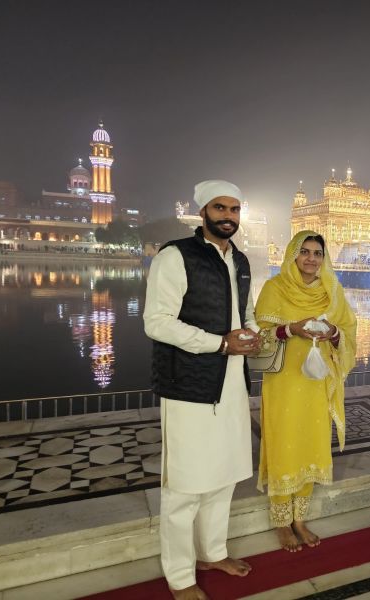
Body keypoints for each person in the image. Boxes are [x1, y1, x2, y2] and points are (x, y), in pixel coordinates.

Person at [144, 180, 258, 600]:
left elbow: (245, 313)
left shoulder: (240, 260)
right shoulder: (176, 256)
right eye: (220, 208)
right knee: (185, 487)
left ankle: (212, 552)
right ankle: (179, 576)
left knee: (223, 476)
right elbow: (156, 321)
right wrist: (220, 342)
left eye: (235, 209)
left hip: (230, 384)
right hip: (188, 386)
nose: (229, 216)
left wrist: (252, 334)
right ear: (203, 211)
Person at [254, 230, 357, 552]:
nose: (312, 259)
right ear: (293, 255)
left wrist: (335, 334)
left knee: (310, 443)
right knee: (284, 444)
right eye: (306, 252)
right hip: (285, 380)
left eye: (318, 253)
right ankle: (282, 522)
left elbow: (349, 331)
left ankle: (300, 518)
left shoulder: (332, 291)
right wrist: (290, 329)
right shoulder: (275, 288)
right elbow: (261, 335)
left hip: (317, 380)